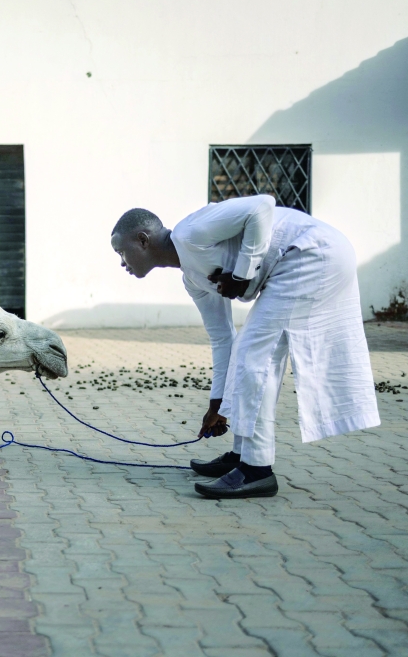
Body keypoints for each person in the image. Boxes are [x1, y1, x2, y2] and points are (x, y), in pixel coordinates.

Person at [111, 194, 380, 499]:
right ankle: (242, 457)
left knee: (254, 354)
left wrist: (242, 273)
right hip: (298, 262)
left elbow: (262, 206)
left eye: (121, 251)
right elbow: (223, 338)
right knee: (247, 351)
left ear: (143, 240)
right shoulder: (193, 279)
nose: (122, 262)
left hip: (314, 253)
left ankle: (257, 470)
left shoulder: (190, 232)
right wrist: (217, 402)